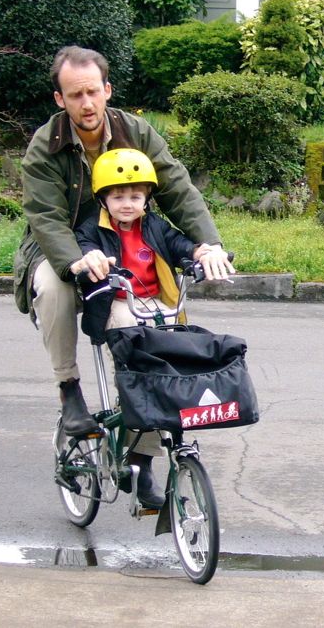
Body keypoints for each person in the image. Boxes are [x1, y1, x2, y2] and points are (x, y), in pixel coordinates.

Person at [13, 45, 234, 496]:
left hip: (126, 249)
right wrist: (75, 258)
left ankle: (142, 458)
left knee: (157, 341)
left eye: (93, 91)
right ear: (60, 99)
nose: (86, 103)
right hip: (62, 248)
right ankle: (69, 388)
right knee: (54, 288)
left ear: (107, 90)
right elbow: (46, 217)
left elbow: (177, 188)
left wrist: (208, 245)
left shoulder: (136, 130)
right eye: (75, 95)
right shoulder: (45, 144)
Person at [75, 148, 215, 508]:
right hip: (117, 304)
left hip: (156, 304)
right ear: (103, 198)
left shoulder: (153, 225)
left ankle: (141, 456)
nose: (127, 203)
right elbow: (84, 248)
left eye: (136, 196)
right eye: (118, 195)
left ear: (147, 198)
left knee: (175, 368)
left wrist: (199, 253)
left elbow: (178, 243)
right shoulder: (92, 229)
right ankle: (140, 451)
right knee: (144, 373)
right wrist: (91, 260)